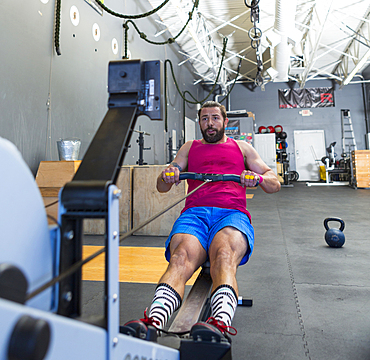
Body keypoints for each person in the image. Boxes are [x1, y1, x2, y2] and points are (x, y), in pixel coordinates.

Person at [124, 101, 280, 340]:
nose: (210, 123)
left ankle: (219, 326)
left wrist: (257, 178)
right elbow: (162, 185)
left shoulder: (242, 148)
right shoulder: (189, 147)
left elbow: (274, 182)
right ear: (199, 122)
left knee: (224, 256)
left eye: (215, 118)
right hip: (195, 214)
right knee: (180, 258)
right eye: (205, 118)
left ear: (225, 122)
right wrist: (169, 173)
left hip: (231, 214)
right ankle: (153, 321)